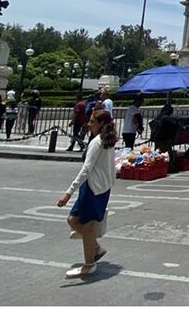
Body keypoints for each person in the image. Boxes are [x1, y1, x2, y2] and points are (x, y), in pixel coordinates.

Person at [57, 109, 117, 279]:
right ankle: (95, 248)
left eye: (92, 121)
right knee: (73, 220)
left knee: (87, 226)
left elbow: (86, 169)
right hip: (99, 187)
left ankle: (89, 264)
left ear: (101, 124)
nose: (89, 124)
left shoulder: (97, 142)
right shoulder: (106, 140)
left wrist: (68, 192)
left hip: (93, 188)